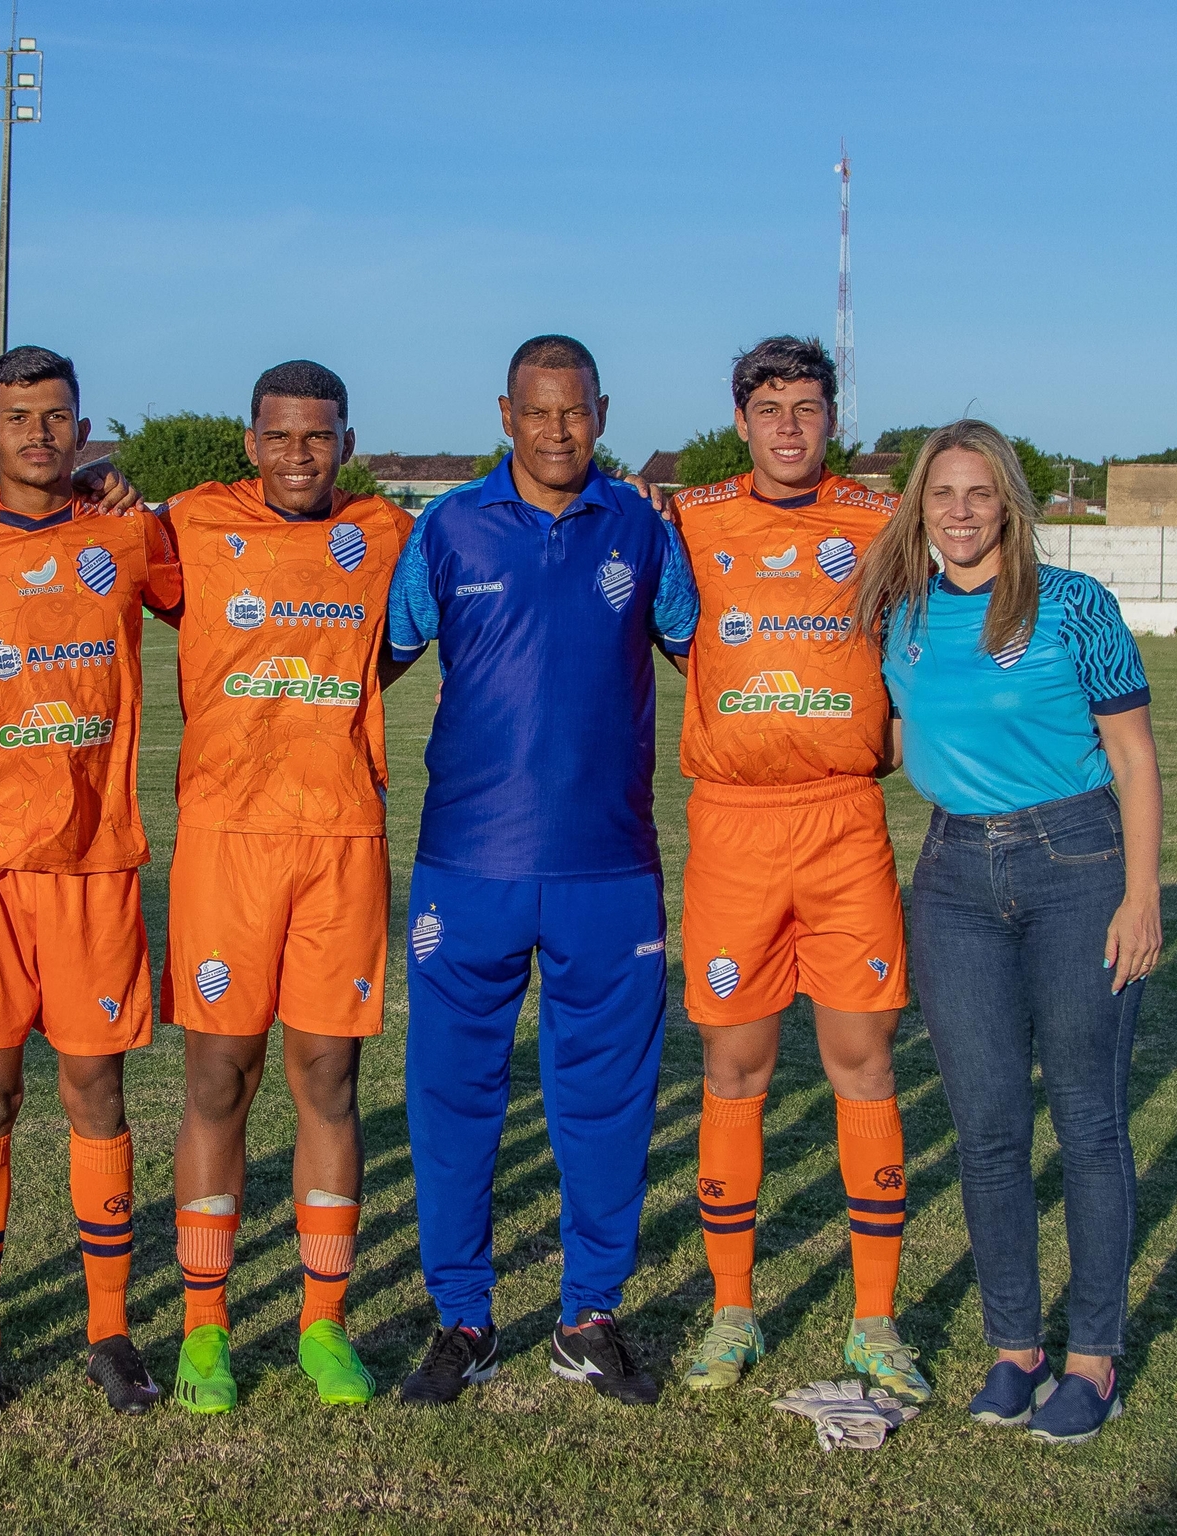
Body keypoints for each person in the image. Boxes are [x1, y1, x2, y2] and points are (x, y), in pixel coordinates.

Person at [388, 335, 698, 1407]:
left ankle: (589, 1315)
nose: (557, 431)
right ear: (505, 414)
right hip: (467, 863)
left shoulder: (644, 530)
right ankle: (463, 1318)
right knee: (452, 1098)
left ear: (602, 412)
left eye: (576, 411)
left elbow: (712, 654)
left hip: (607, 868)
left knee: (606, 1102)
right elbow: (366, 658)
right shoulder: (446, 527)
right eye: (537, 411)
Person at [852, 419, 1163, 1447]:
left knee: (1087, 1121)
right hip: (952, 879)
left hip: (1077, 865)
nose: (960, 511)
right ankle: (1015, 1350)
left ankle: (1093, 1360)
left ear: (1010, 504)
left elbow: (1134, 758)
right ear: (919, 505)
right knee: (986, 1131)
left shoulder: (1074, 605)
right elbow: (891, 737)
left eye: (980, 492)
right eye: (942, 492)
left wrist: (1142, 895)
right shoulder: (900, 614)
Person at [0, 346, 182, 1423]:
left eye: (56, 416)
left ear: (83, 428)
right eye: (18, 417)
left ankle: (109, 1331)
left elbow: (223, 600)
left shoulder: (127, 532)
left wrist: (135, 496)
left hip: (94, 865)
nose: (38, 434)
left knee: (94, 1095)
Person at [666, 336, 930, 1404]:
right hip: (732, 827)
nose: (788, 426)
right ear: (740, 421)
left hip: (842, 822)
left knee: (862, 1059)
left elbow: (933, 635)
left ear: (833, 418)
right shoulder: (689, 520)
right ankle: (733, 1310)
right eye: (769, 408)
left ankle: (875, 1321)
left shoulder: (879, 522)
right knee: (735, 1067)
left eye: (807, 408)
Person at [155, 360, 418, 1413]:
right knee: (219, 1079)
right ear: (249, 442)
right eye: (280, 435)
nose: (299, 455)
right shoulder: (189, 524)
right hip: (226, 839)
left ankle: (322, 1323)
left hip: (340, 837)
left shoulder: (386, 532)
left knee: (329, 1079)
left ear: (347, 444)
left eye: (319, 436)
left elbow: (399, 640)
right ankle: (204, 1330)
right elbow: (91, 548)